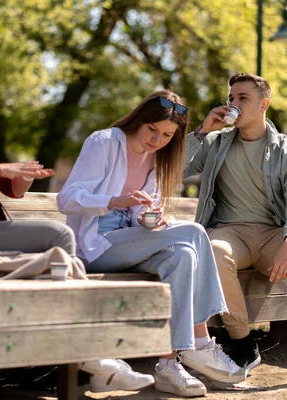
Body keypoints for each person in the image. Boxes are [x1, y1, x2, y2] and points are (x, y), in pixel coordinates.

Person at [0, 48, 151, 392]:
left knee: (54, 250)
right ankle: (90, 352)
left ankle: (87, 351)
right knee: (58, 237)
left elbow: (13, 190)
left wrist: (24, 174)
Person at [57, 90, 246, 397]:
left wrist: (152, 218)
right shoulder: (104, 142)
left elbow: (145, 208)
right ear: (139, 120)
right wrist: (113, 201)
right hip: (96, 245)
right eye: (152, 130)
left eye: (168, 135)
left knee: (183, 255)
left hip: (130, 241)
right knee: (195, 233)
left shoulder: (158, 156)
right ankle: (200, 339)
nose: (158, 140)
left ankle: (169, 365)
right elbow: (67, 199)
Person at [184, 73, 287, 387]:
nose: (233, 104)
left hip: (273, 234)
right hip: (230, 233)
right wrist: (201, 131)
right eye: (231, 98)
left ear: (264, 104)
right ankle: (242, 343)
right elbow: (174, 168)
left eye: (243, 98)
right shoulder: (215, 143)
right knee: (213, 250)